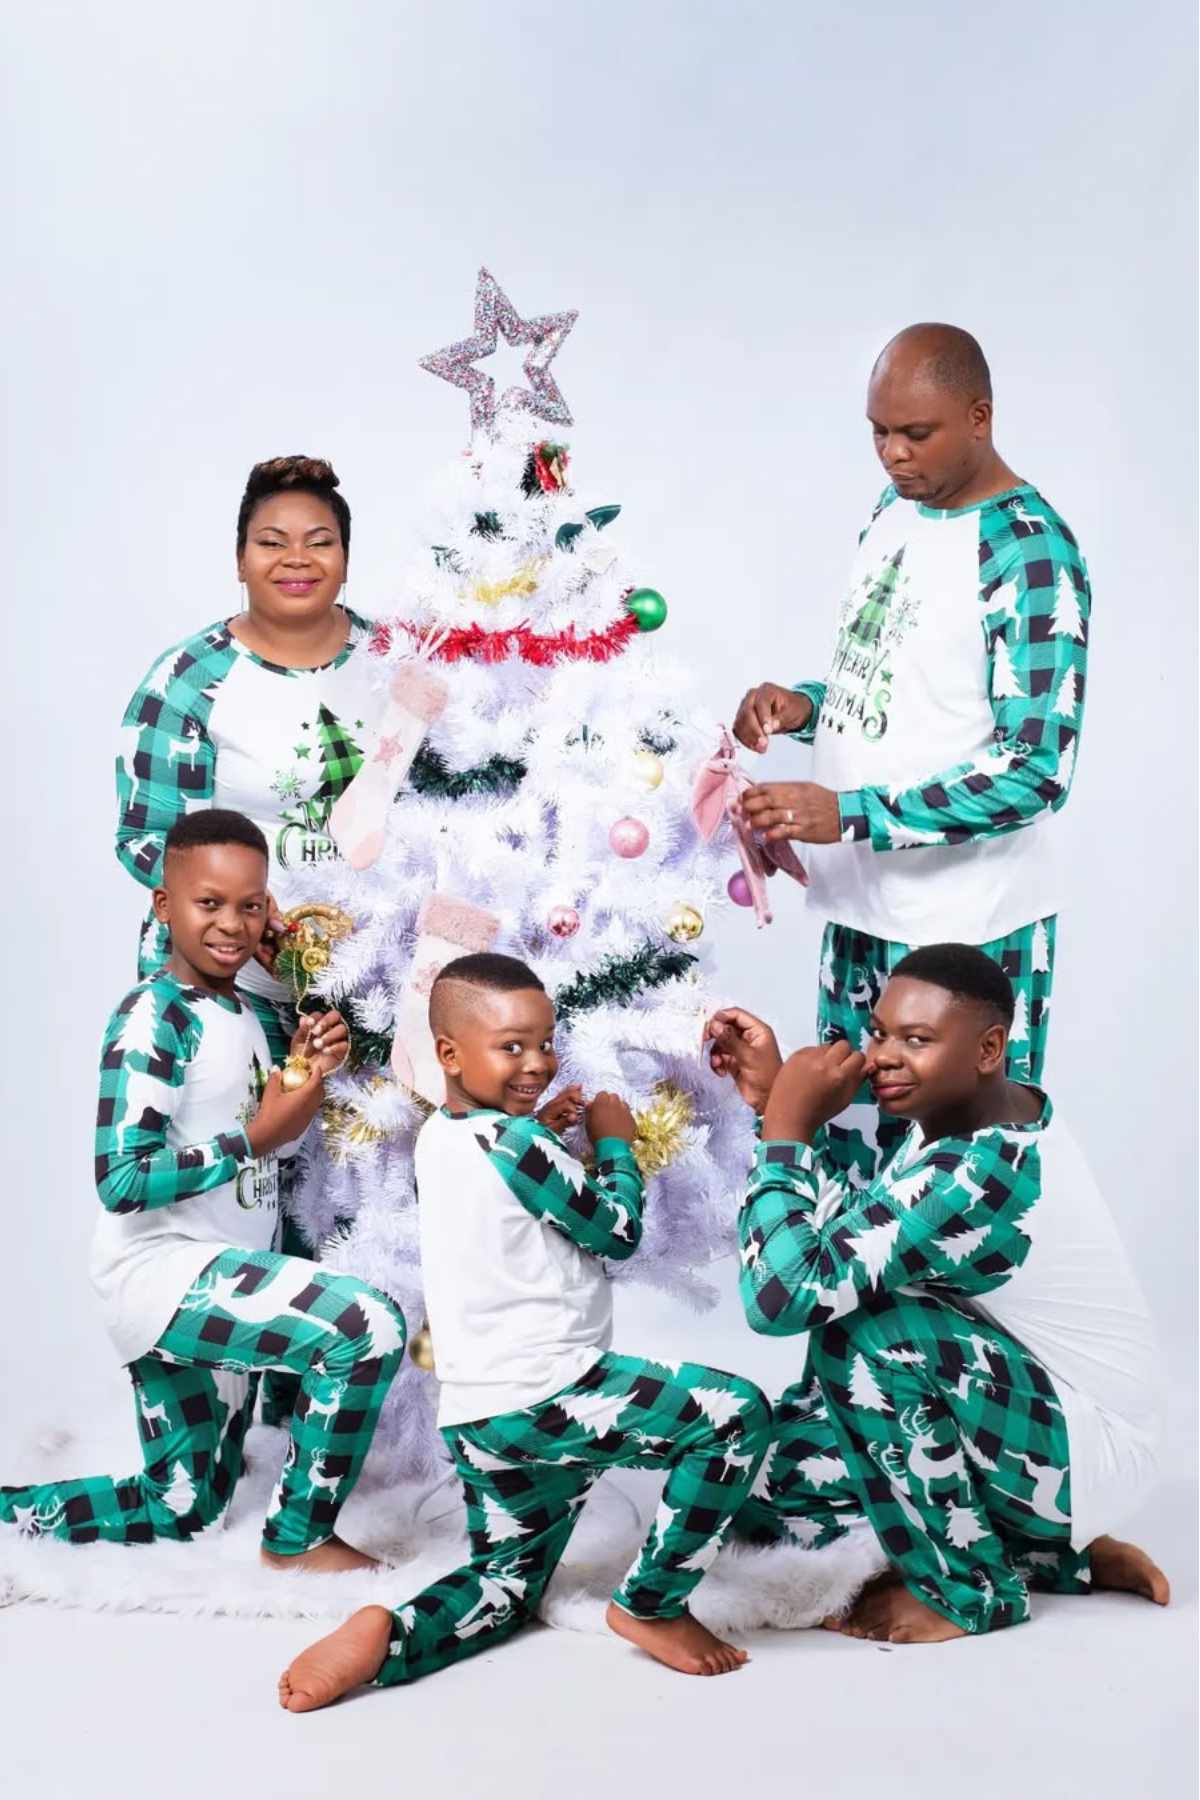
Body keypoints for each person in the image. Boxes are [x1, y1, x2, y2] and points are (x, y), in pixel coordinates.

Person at [277, 952, 771, 1710]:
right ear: (449, 1053)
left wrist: (541, 1126)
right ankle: (653, 1604)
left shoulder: (445, 1138)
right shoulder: (519, 1147)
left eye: (545, 1042)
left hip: (481, 1416)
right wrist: (613, 1142)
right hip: (553, 1394)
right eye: (512, 1047)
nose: (537, 1062)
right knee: (734, 1414)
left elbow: (501, 1184)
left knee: (505, 1585)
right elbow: (615, 1230)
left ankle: (391, 1633)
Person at [705, 948, 1168, 1644]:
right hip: (1022, 1414)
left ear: (988, 1048)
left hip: (1083, 1449)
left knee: (867, 1331)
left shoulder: (979, 1172)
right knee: (761, 1485)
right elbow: (852, 1240)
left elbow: (783, 1298)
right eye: (880, 1033)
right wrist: (776, 1104)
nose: (884, 1057)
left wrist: (788, 1135)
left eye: (916, 1040)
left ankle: (970, 1589)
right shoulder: (967, 1119)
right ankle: (1051, 1556)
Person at [0, 811, 406, 1572]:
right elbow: (122, 1179)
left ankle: (8, 1513)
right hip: (164, 1275)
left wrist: (306, 1065)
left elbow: (268, 1116)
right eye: (208, 903)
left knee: (184, 1507)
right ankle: (299, 1540)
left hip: (225, 1266)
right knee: (366, 1326)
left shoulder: (246, 1012)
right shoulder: (154, 1017)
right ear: (164, 906)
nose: (231, 924)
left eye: (250, 905)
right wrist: (255, 1137)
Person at [732, 324, 1090, 1184]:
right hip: (863, 911)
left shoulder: (1028, 550)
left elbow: (1038, 770)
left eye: (916, 433)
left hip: (967, 929)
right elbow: (911, 681)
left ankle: (961, 1326)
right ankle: (868, 1326)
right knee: (849, 1166)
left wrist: (848, 812)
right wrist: (807, 706)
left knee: (952, 1188)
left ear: (979, 416)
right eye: (877, 432)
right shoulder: (897, 511)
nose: (893, 454)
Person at [115, 454, 380, 1050]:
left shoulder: (395, 660)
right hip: (228, 977)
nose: (296, 559)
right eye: (270, 542)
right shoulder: (190, 678)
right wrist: (247, 910)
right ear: (240, 560)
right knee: (242, 1140)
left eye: (320, 542)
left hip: (374, 984)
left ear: (344, 559)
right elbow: (147, 836)